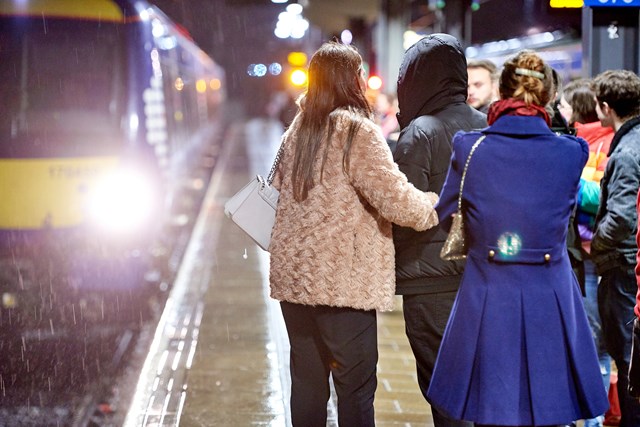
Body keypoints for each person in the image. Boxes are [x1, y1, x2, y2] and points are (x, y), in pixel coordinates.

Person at [426, 49, 609, 425]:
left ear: (500, 91)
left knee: (489, 407)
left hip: (487, 291)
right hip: (551, 293)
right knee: (548, 409)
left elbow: (446, 214)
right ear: (547, 97)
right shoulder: (571, 151)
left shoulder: (470, 146)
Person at [268, 41, 440, 426]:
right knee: (356, 387)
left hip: (296, 279)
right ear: (352, 80)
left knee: (308, 383)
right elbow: (395, 199)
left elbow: (277, 187)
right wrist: (434, 204)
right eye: (360, 73)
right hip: (342, 282)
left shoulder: (298, 129)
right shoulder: (357, 132)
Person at [393, 33, 486, 427]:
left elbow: (402, 213)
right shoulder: (488, 125)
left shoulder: (419, 133)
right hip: (483, 278)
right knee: (478, 385)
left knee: (443, 390)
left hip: (429, 284)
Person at [558, 77, 615, 427]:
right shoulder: (580, 140)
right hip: (578, 252)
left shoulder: (598, 143)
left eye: (564, 105)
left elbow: (596, 198)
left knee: (595, 338)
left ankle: (594, 416)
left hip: (593, 253)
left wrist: (571, 183)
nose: (560, 112)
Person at [591, 69, 640, 427]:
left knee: (625, 358)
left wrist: (597, 244)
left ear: (606, 107)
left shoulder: (624, 153)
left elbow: (621, 217)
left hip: (622, 268)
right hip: (630, 263)